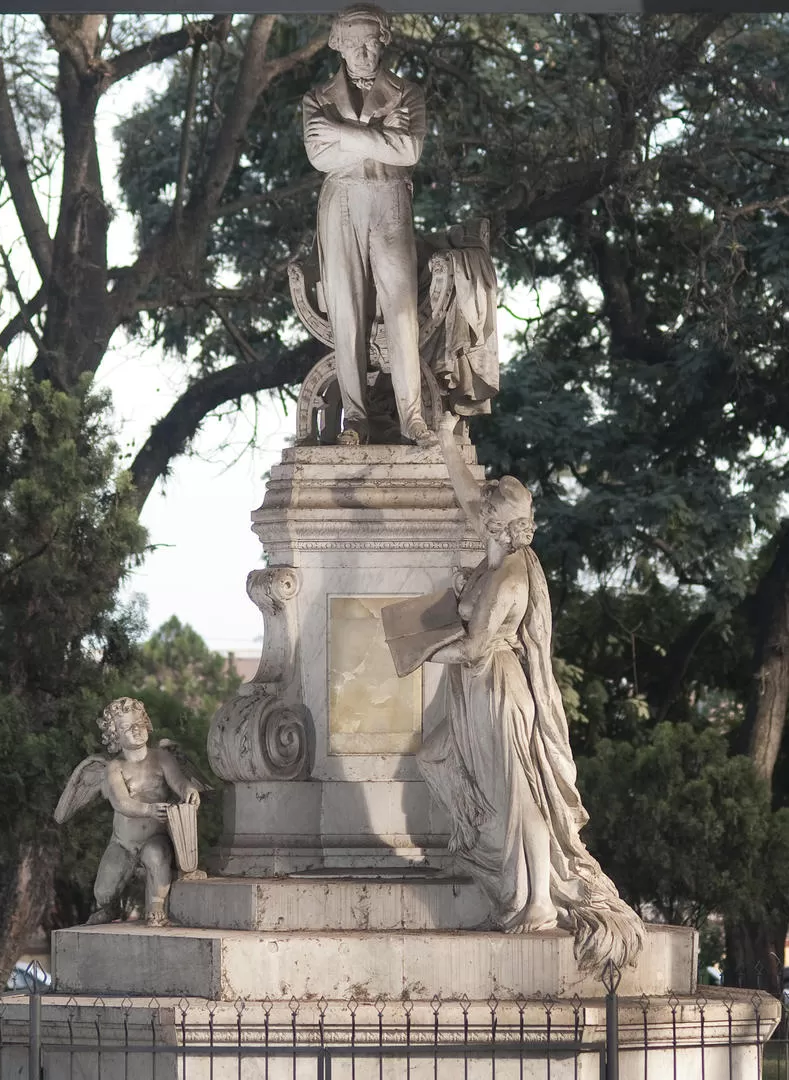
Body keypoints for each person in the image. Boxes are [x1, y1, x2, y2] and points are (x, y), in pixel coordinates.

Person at [417, 414, 645, 973]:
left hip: (497, 693)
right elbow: (469, 494)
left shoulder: (511, 577)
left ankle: (537, 899)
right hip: (479, 692)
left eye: (483, 512)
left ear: (496, 526)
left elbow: (473, 649)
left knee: (521, 797)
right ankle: (522, 889)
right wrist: (447, 443)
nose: (475, 513)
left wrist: (417, 652)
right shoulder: (501, 552)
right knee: (492, 792)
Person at [303, 4, 436, 448]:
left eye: (371, 41)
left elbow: (408, 151)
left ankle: (413, 417)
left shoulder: (407, 93)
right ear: (337, 43)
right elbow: (319, 158)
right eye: (353, 42)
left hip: (390, 200)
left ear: (383, 41)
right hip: (339, 204)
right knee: (347, 311)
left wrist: (341, 132)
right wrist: (378, 134)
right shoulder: (317, 99)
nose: (363, 52)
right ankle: (354, 419)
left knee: (401, 310)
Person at [78, 698, 201, 926]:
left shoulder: (162, 758)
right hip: (123, 842)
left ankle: (156, 905)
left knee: (156, 856)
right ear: (115, 736)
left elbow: (179, 782)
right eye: (126, 727)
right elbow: (121, 802)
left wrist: (189, 790)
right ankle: (109, 907)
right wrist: (149, 809)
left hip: (156, 836)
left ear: (146, 722)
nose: (135, 730)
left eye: (138, 723)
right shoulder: (115, 768)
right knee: (103, 891)